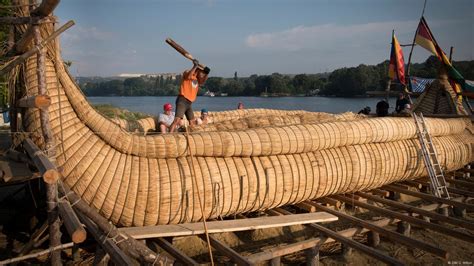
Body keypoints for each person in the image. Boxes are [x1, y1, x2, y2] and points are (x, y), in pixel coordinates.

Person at [169, 60, 210, 132]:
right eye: (201, 72)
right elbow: (188, 75)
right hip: (182, 100)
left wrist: (207, 73)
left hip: (189, 103)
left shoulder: (197, 80)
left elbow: (203, 81)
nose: (202, 74)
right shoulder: (187, 73)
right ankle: (169, 136)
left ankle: (191, 136)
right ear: (197, 71)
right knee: (177, 120)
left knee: (192, 122)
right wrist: (195, 66)